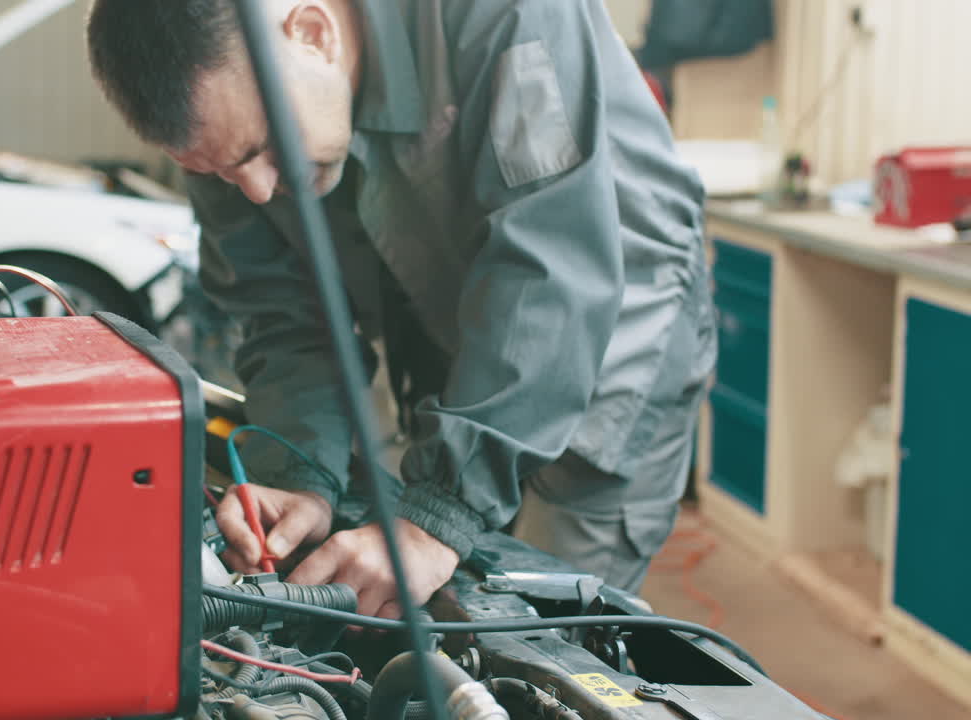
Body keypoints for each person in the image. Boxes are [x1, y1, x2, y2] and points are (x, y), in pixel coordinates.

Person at [86, 0, 717, 619]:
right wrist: (300, 473)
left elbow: (548, 263)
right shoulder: (231, 111)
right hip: (462, 342)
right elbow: (283, 310)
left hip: (613, 350)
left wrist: (437, 517)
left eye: (259, 150)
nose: (254, 189)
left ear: (312, 32)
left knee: (537, 627)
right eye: (222, 173)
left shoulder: (504, 14)